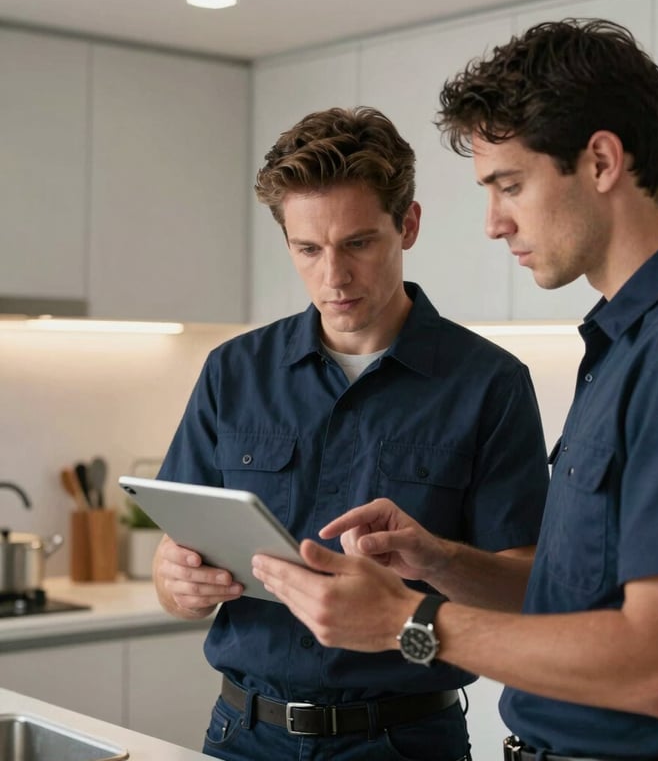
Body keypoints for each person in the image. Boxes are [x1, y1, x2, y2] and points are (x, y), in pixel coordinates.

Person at [251, 19, 658, 761]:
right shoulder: (629, 342)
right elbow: (576, 603)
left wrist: (405, 624)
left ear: (600, 161)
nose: (494, 223)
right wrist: (441, 564)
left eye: (509, 185)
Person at [152, 106, 550, 761]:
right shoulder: (233, 371)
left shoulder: (490, 383)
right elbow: (174, 570)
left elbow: (529, 586)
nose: (333, 277)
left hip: (404, 740)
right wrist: (177, 583)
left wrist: (439, 560)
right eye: (308, 249)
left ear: (408, 225)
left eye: (358, 243)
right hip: (242, 735)